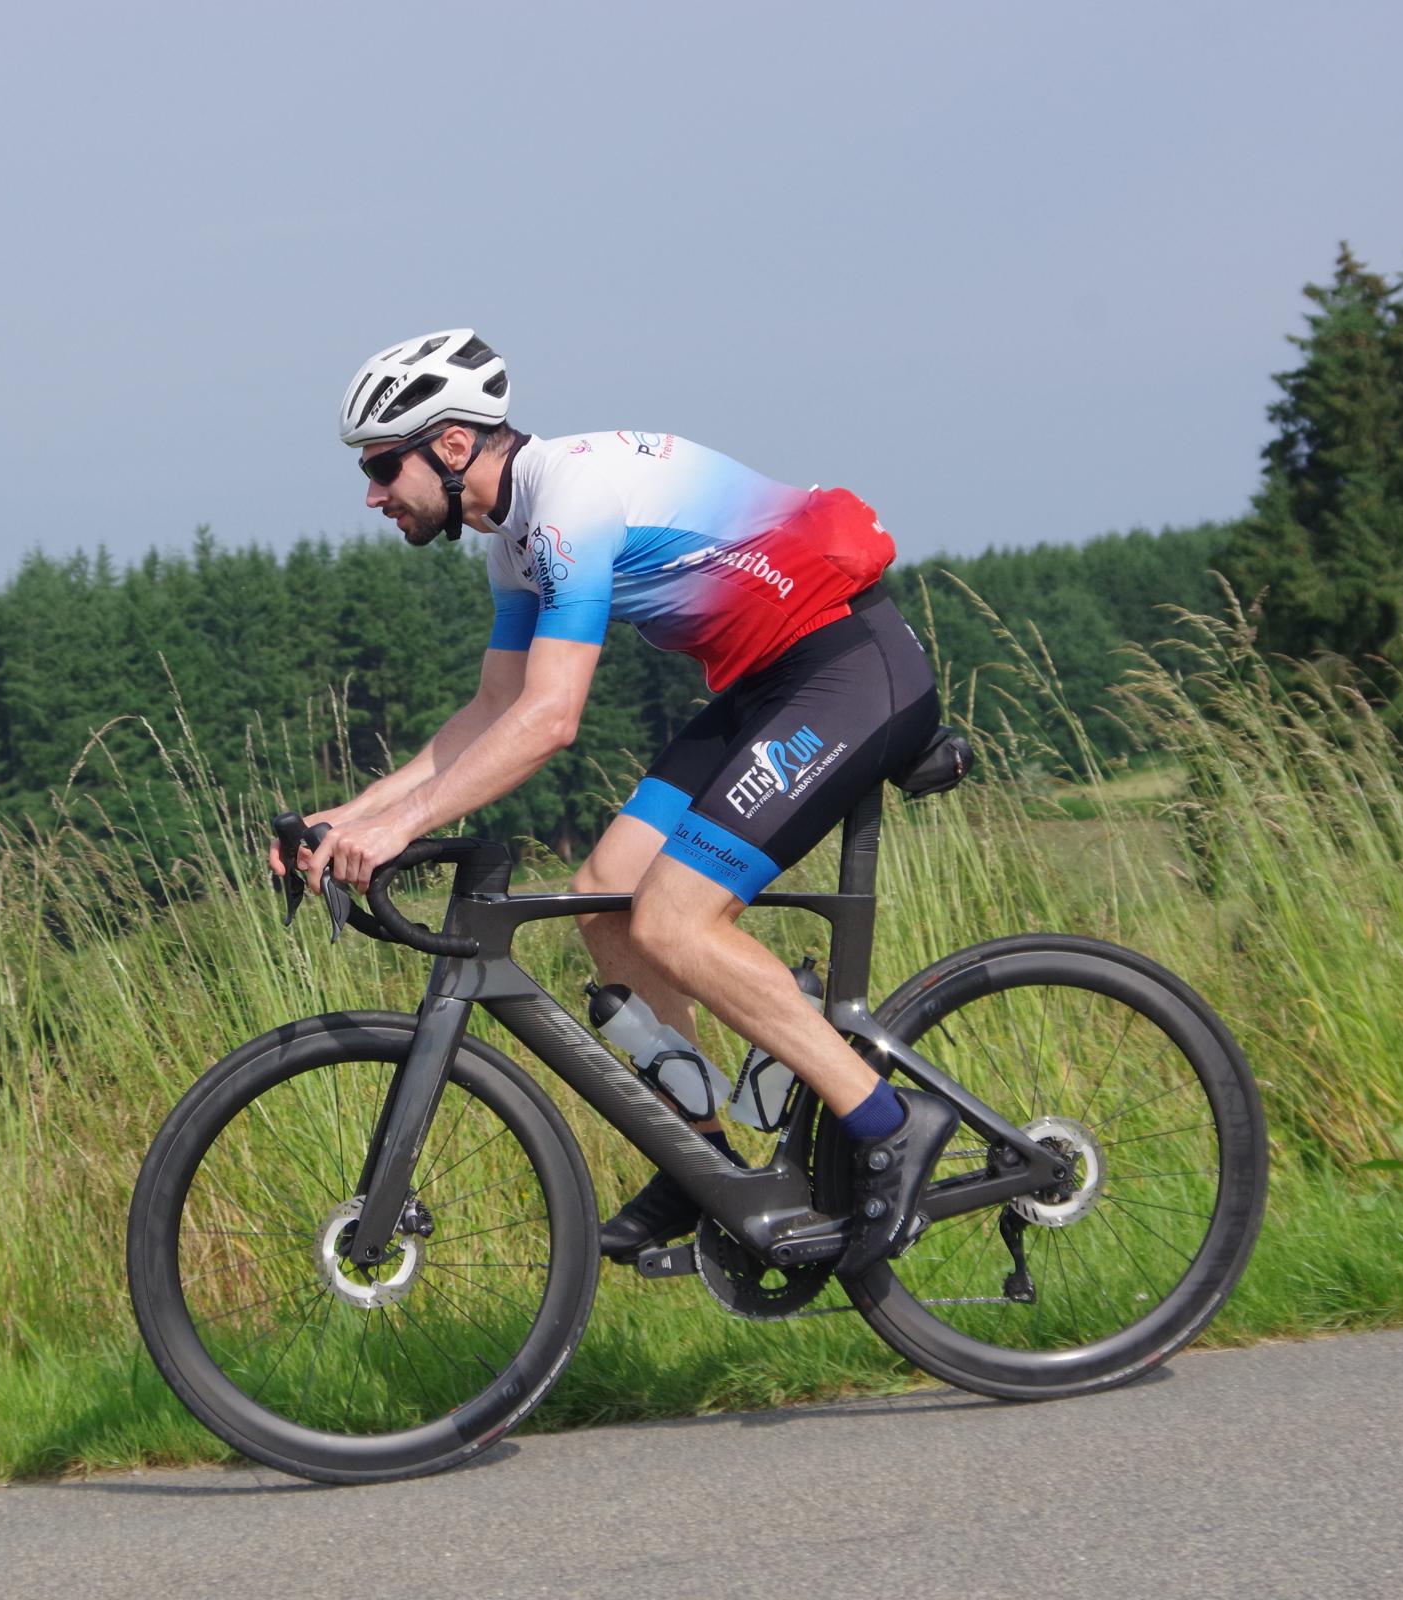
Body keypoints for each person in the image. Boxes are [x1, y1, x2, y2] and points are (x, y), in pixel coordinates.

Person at [282, 328, 957, 1280]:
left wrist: (403, 827)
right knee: (603, 898)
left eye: (383, 466)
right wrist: (352, 819)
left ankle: (889, 1122)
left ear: (453, 444)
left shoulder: (569, 505)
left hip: (846, 669)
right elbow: (492, 710)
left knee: (674, 919)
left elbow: (550, 718)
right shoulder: (515, 546)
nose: (372, 494)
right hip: (767, 687)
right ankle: (700, 1160)